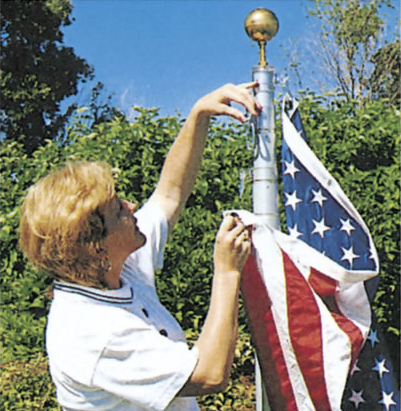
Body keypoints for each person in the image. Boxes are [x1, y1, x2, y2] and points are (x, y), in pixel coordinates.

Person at [19, 82, 261, 411]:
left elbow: (169, 194)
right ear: (95, 246)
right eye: (118, 209)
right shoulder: (88, 332)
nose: (132, 206)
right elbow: (208, 374)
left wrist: (199, 114)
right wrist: (228, 271)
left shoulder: (117, 268)